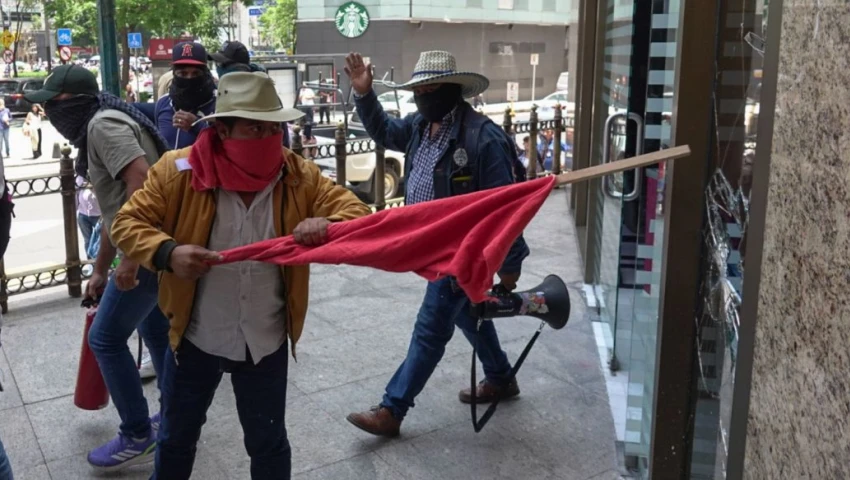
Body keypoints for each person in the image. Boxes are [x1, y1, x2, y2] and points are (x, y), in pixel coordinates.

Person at [110, 71, 372, 480]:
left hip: (264, 340)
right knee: (177, 439)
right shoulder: (176, 172)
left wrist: (325, 223)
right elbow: (127, 224)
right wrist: (168, 252)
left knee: (268, 443)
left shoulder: (298, 173)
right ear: (221, 128)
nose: (268, 137)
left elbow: (355, 212)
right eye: (254, 127)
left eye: (274, 126)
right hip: (195, 336)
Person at [343, 51, 530, 437]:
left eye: (431, 88)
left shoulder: (482, 137)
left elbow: (507, 206)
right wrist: (364, 95)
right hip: (430, 250)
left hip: (462, 253)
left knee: (431, 326)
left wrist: (511, 266)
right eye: (419, 89)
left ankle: (392, 409)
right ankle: (501, 377)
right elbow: (384, 131)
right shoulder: (418, 126)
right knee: (463, 314)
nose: (424, 95)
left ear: (452, 89)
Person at [24, 64, 171, 471]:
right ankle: (175, 417)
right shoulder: (104, 122)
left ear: (71, 103)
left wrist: (132, 258)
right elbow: (115, 208)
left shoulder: (103, 127)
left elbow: (139, 181)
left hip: (148, 248)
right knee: (156, 332)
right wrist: (102, 267)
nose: (49, 114)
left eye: (52, 104)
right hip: (157, 245)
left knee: (105, 339)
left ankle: (138, 432)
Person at [208, 40, 292, 148]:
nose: (218, 68)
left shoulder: (264, 95)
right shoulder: (221, 95)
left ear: (239, 68)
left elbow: (281, 142)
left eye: (221, 64)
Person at [155, 42, 217, 150]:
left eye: (196, 74)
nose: (189, 78)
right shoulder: (164, 103)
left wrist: (197, 126)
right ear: (174, 73)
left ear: (205, 73)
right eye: (183, 74)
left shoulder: (219, 103)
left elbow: (227, 147)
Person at [75, 173, 101, 258]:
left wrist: (92, 187)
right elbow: (76, 193)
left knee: (99, 240)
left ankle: (100, 263)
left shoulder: (96, 174)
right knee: (87, 240)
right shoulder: (79, 178)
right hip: (83, 214)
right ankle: (90, 262)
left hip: (98, 214)